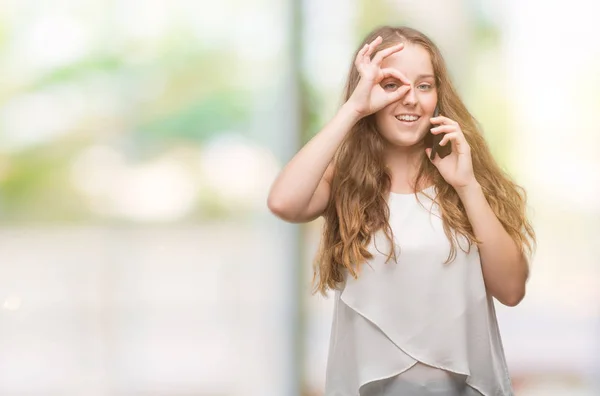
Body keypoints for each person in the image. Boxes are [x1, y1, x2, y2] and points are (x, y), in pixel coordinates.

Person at [267, 25, 536, 396]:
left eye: (424, 85)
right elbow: (283, 203)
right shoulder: (341, 181)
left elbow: (511, 290)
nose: (411, 99)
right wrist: (353, 109)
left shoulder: (467, 176)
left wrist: (467, 186)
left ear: (438, 96)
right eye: (392, 85)